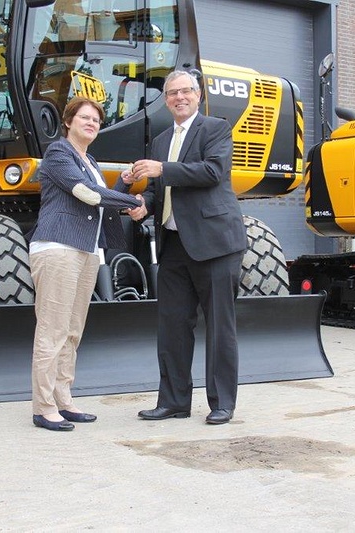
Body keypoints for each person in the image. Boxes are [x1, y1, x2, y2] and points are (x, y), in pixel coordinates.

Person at [125, 70, 247, 425]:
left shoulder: (216, 129)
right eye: (172, 93)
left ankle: (222, 403)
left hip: (215, 243)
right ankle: (174, 402)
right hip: (173, 243)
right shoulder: (161, 140)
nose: (179, 97)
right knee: (172, 327)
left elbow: (212, 172)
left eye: (185, 91)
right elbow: (158, 187)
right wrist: (144, 203)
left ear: (198, 95)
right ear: (165, 100)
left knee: (219, 327)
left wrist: (162, 168)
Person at [27, 97, 142, 432]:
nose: (91, 123)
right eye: (85, 118)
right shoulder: (58, 153)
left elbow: (103, 203)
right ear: (68, 122)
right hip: (58, 247)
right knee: (53, 329)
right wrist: (132, 201)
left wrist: (123, 182)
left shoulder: (89, 159)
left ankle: (64, 400)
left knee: (73, 332)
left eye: (96, 120)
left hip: (87, 251)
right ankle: (43, 406)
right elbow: (87, 194)